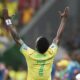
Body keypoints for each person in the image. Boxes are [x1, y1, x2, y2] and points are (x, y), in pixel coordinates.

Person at [2, 7, 69, 80]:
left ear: (36, 47)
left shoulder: (30, 54)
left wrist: (7, 20)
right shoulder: (51, 52)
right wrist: (64, 20)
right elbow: (58, 37)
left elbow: (16, 38)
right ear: (48, 47)